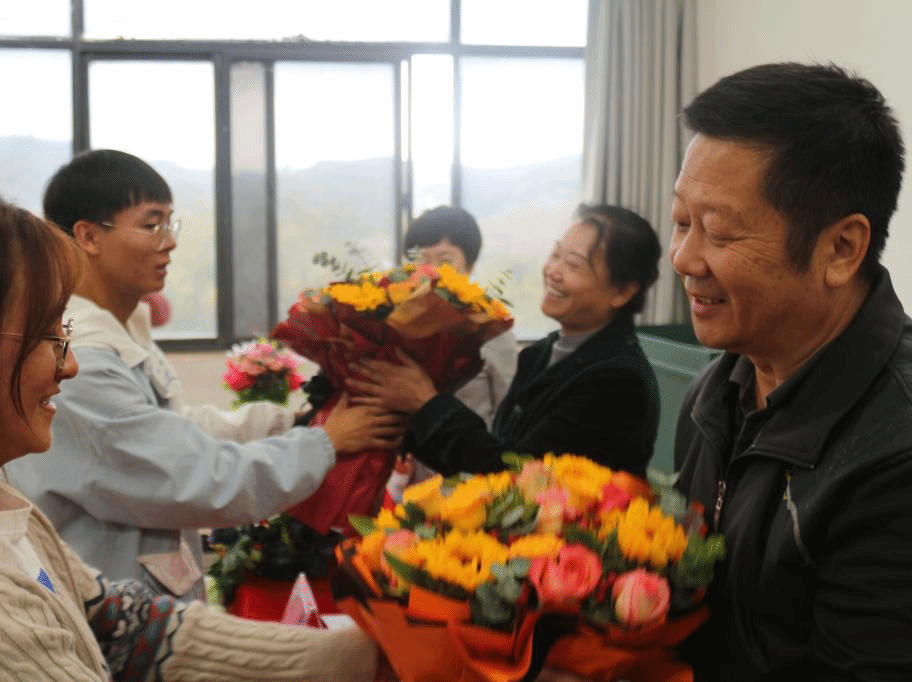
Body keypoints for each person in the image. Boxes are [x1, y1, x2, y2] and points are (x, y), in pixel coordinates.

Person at [0, 180, 381, 682]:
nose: (69, 366)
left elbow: (120, 622)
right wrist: (323, 443)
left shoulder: (1, 511)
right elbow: (193, 475)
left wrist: (351, 658)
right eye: (45, 335)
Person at [5, 149, 403, 601]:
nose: (169, 242)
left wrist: (288, 422)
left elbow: (174, 429)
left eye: (169, 224)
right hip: (108, 605)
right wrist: (325, 443)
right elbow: (194, 477)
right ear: (89, 236)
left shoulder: (121, 329)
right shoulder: (85, 361)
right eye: (151, 224)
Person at [670, 62, 912, 680]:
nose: (684, 258)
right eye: (682, 222)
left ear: (841, 249)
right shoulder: (712, 395)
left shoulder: (895, 453)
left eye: (719, 232)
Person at [350, 203, 662, 477]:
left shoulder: (617, 379)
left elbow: (520, 476)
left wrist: (426, 403)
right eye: (555, 255)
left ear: (622, 291)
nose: (553, 271)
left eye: (573, 265)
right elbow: (492, 451)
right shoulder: (539, 354)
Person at [383, 206, 519, 499]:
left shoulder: (493, 330)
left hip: (471, 482)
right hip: (406, 483)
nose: (432, 271)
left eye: (445, 260)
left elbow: (508, 416)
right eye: (422, 260)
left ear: (469, 265)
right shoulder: (396, 326)